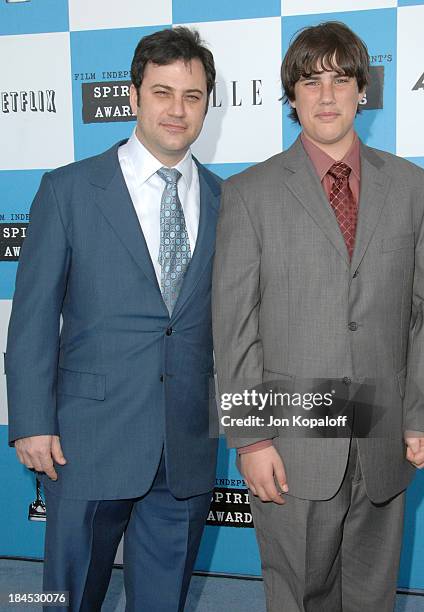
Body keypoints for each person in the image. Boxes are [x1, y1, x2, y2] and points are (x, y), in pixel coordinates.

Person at [212, 21, 424, 612]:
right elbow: (235, 326)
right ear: (292, 94)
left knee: (372, 596)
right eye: (311, 80)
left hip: (383, 433)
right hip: (292, 441)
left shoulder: (416, 189)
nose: (326, 95)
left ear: (362, 91)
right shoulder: (250, 194)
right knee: (298, 596)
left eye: (342, 79)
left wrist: (422, 416)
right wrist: (250, 437)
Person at [6, 26, 221, 612]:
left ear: (207, 105)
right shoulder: (68, 190)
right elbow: (32, 319)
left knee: (163, 602)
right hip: (85, 444)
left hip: (185, 448)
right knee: (63, 599)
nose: (177, 110)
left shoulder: (231, 202)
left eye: (193, 95)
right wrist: (29, 422)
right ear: (132, 96)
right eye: (162, 92)